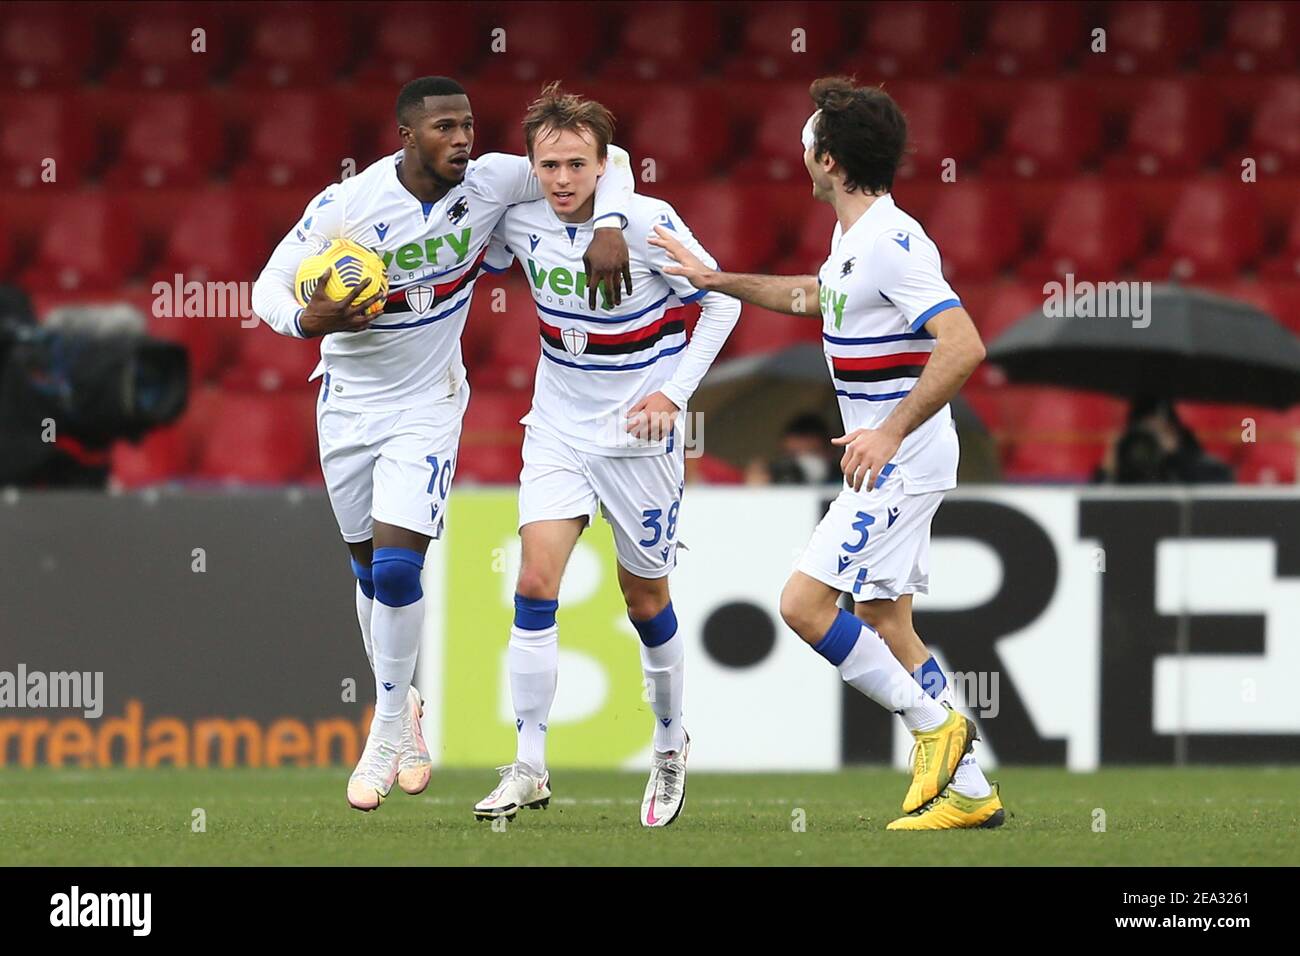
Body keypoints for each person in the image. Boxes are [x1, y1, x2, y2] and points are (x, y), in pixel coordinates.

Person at [250, 76, 635, 812]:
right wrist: (310, 320)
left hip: (428, 405)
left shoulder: (491, 180)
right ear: (407, 135)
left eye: (468, 125)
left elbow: (594, 157)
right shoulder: (348, 206)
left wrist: (610, 219)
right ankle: (407, 708)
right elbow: (267, 286)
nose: (462, 139)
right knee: (367, 574)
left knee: (397, 571)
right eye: (445, 128)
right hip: (347, 407)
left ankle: (387, 727)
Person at [649, 76, 1002, 830]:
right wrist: (720, 281)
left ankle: (937, 728)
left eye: (808, 140)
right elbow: (814, 297)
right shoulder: (855, 240)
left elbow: (965, 344)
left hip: (898, 460)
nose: (800, 149)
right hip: (898, 455)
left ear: (830, 162)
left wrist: (889, 429)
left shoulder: (894, 243)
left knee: (804, 606)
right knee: (884, 617)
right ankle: (970, 790)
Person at [471, 84, 740, 828]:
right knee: (533, 580)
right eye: (549, 164)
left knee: (643, 597)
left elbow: (722, 299)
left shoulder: (649, 221)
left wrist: (676, 395)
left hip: (639, 438)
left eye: (577, 165)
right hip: (557, 425)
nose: (561, 179)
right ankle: (528, 764)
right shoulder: (520, 218)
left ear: (602, 165)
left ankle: (668, 741)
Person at [1095, 396, 1234, 484]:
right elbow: (1093, 511)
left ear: (1173, 432)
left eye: (1157, 432)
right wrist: (1107, 470)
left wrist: (1177, 457)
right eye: (1146, 432)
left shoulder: (1202, 467)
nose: (1150, 442)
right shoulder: (1125, 464)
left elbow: (1218, 487)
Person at [747, 412, 841, 485]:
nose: (800, 462)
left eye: (809, 453)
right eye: (792, 455)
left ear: (830, 451)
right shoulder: (775, 480)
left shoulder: (848, 483)